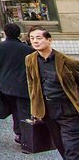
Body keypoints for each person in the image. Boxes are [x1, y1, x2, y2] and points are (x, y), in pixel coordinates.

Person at [26, 27, 79, 159]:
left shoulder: (68, 61)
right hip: (47, 109)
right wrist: (35, 109)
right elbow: (31, 84)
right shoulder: (30, 59)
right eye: (32, 38)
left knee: (72, 148)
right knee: (60, 145)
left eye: (39, 38)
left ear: (49, 40)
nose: (35, 41)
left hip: (68, 108)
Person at [0, 23, 35, 144]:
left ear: (5, 32)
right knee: (24, 111)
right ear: (19, 34)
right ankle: (27, 137)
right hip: (23, 85)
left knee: (15, 110)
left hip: (6, 85)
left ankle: (19, 133)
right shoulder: (28, 49)